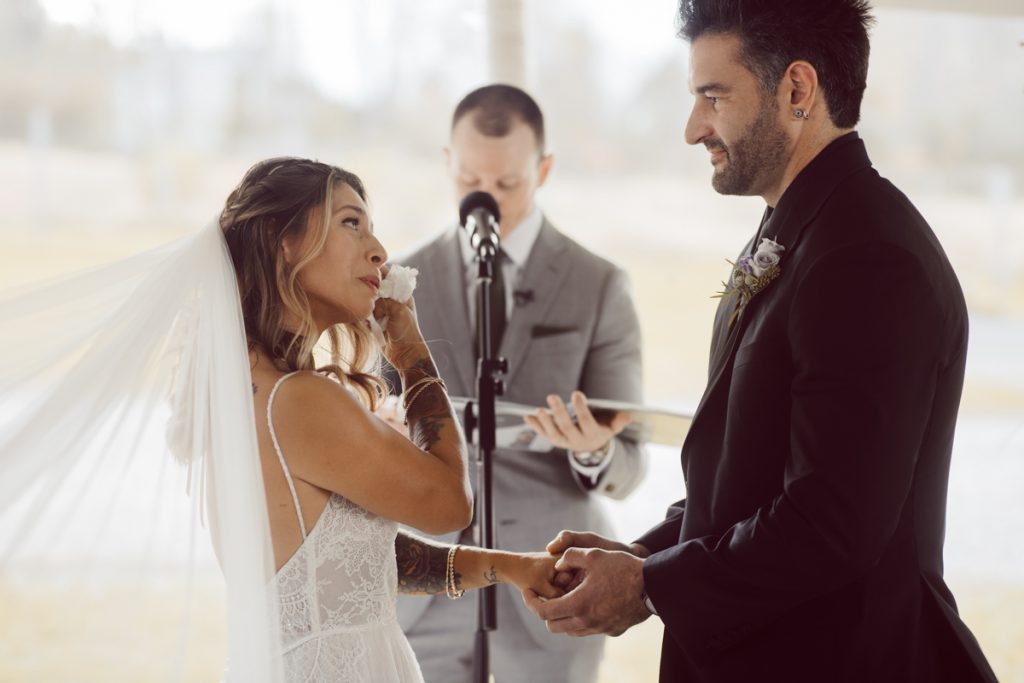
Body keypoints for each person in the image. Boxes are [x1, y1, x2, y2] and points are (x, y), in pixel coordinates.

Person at [523, 2, 999, 682]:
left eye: (713, 97)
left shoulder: (866, 256)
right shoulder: (803, 228)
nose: (693, 128)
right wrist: (643, 558)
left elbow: (829, 522)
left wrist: (651, 586)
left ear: (797, 89)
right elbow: (748, 474)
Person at [0, 157, 567, 683]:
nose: (379, 251)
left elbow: (353, 566)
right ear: (286, 242)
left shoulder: (253, 391)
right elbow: (450, 504)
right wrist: (412, 354)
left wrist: (511, 567)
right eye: (352, 224)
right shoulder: (299, 401)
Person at [392, 85, 646, 683]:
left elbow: (629, 465)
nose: (486, 198)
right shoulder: (398, 284)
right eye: (469, 180)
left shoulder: (599, 284)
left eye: (507, 183)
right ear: (447, 163)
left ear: (544, 170)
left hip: (553, 584)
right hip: (429, 584)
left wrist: (593, 451)